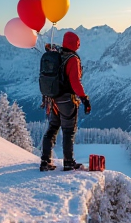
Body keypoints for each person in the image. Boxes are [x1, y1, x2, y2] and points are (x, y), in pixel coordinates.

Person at [40, 31, 91, 171]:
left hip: (52, 99)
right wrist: (84, 99)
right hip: (66, 100)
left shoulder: (57, 54)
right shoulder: (73, 59)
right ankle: (68, 162)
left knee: (52, 129)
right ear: (76, 44)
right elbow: (75, 82)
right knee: (68, 131)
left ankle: (45, 161)